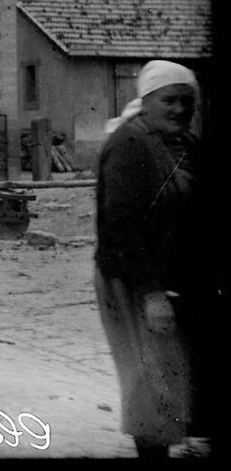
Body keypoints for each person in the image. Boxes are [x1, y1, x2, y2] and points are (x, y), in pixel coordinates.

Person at [94, 60, 214, 458]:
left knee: (185, 372)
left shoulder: (190, 147)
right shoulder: (129, 145)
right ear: (146, 102)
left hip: (177, 276)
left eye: (187, 101)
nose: (180, 109)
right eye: (169, 101)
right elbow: (121, 228)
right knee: (151, 377)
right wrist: (152, 293)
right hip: (133, 278)